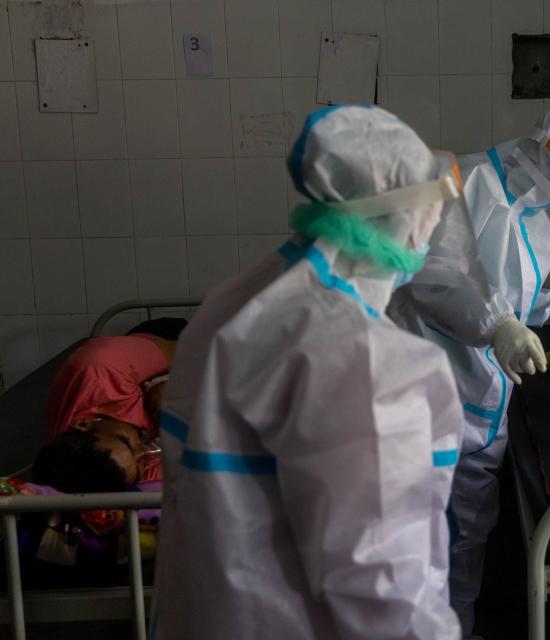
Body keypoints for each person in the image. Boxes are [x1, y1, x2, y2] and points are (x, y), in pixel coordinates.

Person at [151, 105, 478, 639]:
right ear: (396, 212)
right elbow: (382, 585)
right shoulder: (356, 356)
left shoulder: (233, 305)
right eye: (430, 208)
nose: (434, 225)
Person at [388, 102, 550, 634]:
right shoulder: (466, 184)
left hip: (483, 397)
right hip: (429, 385)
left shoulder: (533, 214)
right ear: (542, 147)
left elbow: (513, 287)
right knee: (418, 529)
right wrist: (497, 325)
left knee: (468, 530)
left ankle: (455, 627)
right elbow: (435, 277)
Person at [32, 319, 185, 492]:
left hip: (165, 344)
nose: (143, 450)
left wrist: (174, 386)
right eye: (141, 464)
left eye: (126, 441)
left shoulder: (100, 370)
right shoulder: (121, 473)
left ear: (84, 423)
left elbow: (190, 351)